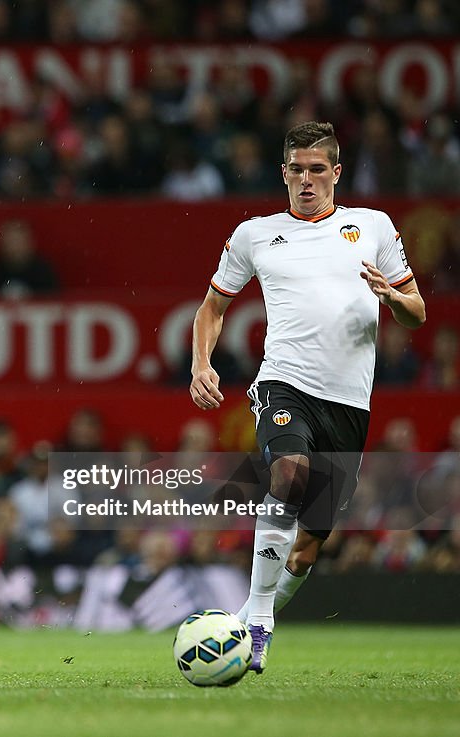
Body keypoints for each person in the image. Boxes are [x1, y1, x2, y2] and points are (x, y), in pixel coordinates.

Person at [189, 121, 425, 674]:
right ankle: (258, 626)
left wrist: (392, 297)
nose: (306, 179)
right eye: (296, 169)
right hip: (284, 383)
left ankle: (249, 615)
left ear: (337, 174)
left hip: (349, 405)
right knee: (287, 475)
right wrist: (201, 362)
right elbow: (211, 309)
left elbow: (418, 314)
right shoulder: (254, 234)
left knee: (308, 547)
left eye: (318, 169)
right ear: (283, 174)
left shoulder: (372, 227)